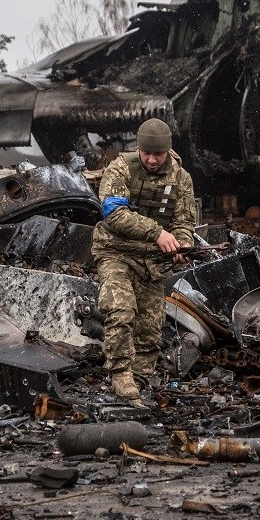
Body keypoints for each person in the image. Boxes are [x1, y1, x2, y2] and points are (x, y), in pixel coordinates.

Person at [92, 118, 196, 407]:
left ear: (168, 151)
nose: (151, 160)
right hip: (116, 251)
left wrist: (182, 243)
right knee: (121, 310)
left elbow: (184, 221)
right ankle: (120, 375)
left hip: (152, 260)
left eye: (158, 154)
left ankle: (136, 385)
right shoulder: (121, 168)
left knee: (150, 329)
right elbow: (113, 214)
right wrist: (157, 232)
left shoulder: (182, 179)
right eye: (146, 153)